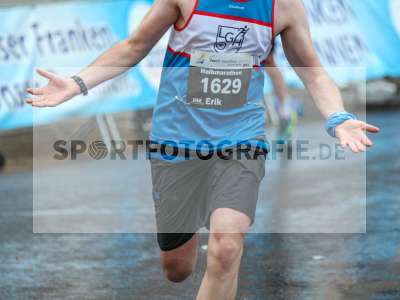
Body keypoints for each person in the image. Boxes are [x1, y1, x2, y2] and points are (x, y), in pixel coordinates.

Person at [26, 0, 379, 299]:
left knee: (226, 248)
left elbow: (314, 73)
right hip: (176, 143)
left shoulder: (283, 7)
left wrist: (338, 117)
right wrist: (76, 84)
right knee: (177, 269)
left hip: (241, 142)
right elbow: (134, 47)